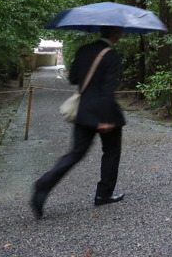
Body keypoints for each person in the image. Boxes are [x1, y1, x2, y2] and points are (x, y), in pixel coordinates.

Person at [31, 26, 127, 219]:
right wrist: (106, 119)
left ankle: (44, 185)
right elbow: (108, 89)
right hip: (105, 112)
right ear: (116, 34)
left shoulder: (84, 50)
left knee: (75, 153)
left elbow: (73, 78)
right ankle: (103, 194)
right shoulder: (111, 56)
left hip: (83, 110)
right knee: (111, 152)